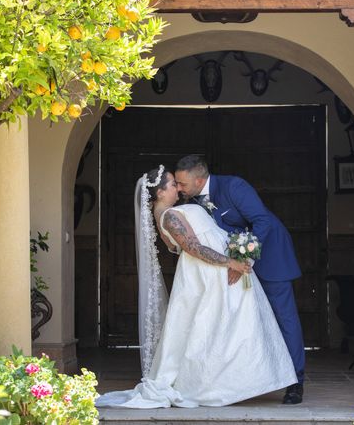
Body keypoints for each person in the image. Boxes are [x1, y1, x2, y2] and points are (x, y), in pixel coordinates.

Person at [95, 165, 296, 408]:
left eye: (179, 184)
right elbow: (194, 248)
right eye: (172, 185)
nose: (178, 189)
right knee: (220, 328)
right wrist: (231, 261)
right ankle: (218, 384)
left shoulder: (171, 212)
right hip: (212, 273)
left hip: (217, 272)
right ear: (159, 193)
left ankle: (239, 381)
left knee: (226, 329)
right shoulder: (169, 216)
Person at [173, 155, 306, 405]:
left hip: (269, 259)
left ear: (199, 179)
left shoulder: (234, 187)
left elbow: (262, 221)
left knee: (284, 318)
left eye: (182, 184)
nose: (179, 189)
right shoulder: (192, 202)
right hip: (232, 264)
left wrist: (245, 260)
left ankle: (296, 382)